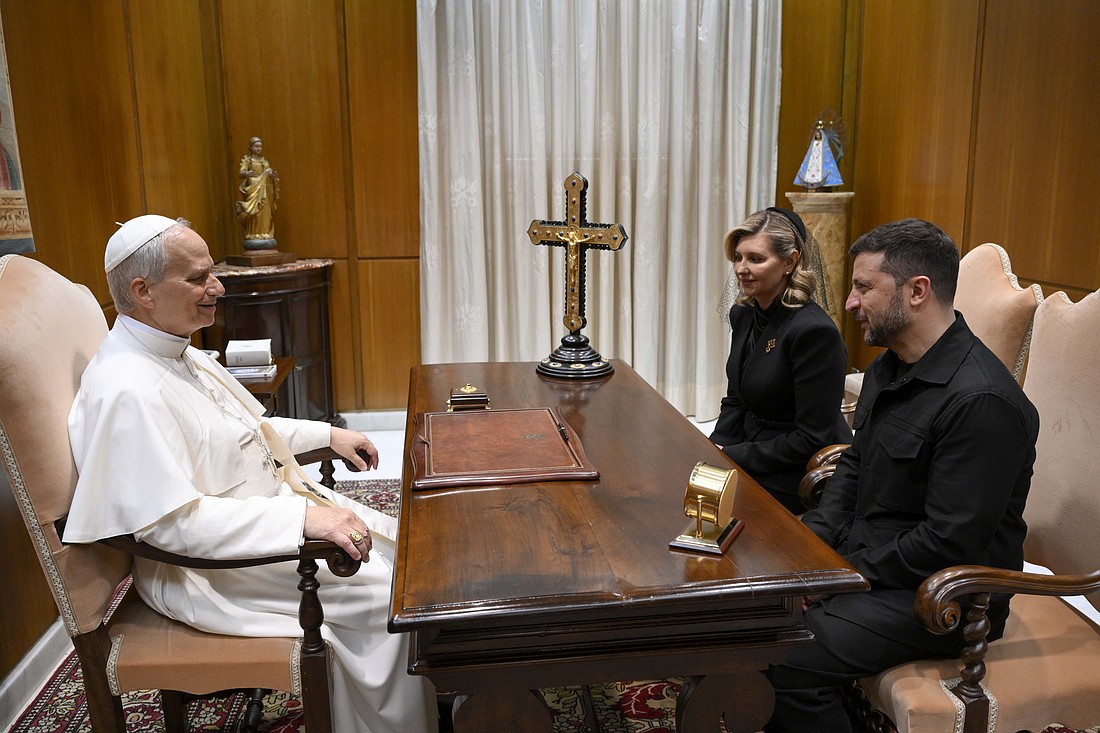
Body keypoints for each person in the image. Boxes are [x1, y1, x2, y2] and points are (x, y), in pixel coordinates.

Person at [63, 215, 438, 733]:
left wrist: (327, 435)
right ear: (142, 290)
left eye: (211, 272)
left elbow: (247, 428)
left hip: (257, 530)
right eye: (198, 278)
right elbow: (166, 526)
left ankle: (421, 698)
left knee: (414, 558)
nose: (216, 287)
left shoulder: (177, 350)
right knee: (387, 600)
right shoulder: (124, 388)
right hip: (207, 571)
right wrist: (302, 523)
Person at [764, 219, 1040, 732]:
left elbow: (947, 542)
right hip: (871, 563)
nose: (850, 302)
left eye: (864, 287)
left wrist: (835, 577)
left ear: (917, 292)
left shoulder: (982, 402)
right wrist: (810, 551)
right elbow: (852, 468)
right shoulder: (889, 366)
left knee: (780, 653)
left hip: (942, 597)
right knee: (748, 602)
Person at [709, 207, 851, 513]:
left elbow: (812, 438)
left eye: (756, 259)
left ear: (790, 262)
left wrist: (734, 456)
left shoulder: (814, 332)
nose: (740, 269)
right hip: (750, 449)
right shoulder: (744, 313)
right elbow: (735, 400)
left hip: (796, 470)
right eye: (738, 257)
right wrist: (714, 450)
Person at [236, 136, 279, 245]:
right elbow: (241, 173)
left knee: (264, 212)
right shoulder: (248, 160)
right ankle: (253, 233)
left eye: (260, 146)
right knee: (255, 213)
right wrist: (247, 174)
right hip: (253, 189)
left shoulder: (264, 162)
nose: (259, 148)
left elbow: (268, 174)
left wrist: (272, 176)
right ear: (250, 147)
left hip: (264, 191)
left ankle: (264, 232)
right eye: (256, 146)